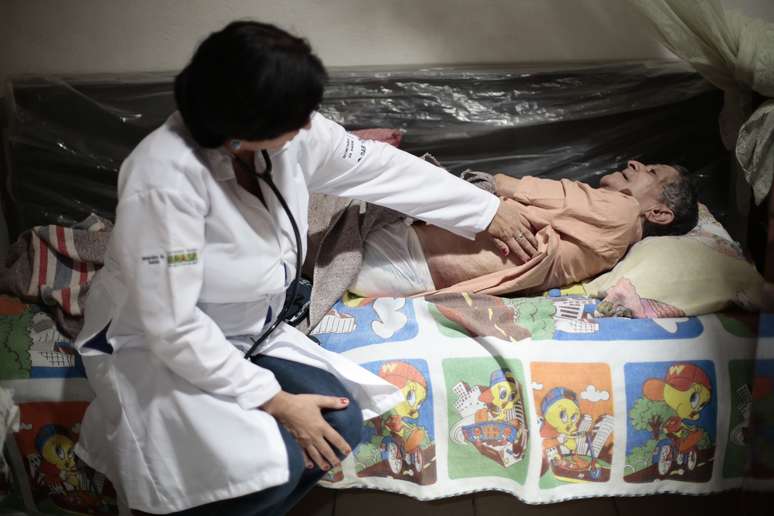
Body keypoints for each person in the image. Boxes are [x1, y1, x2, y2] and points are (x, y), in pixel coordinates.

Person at [71, 21, 535, 516]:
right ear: (244, 127)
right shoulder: (164, 182)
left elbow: (379, 167)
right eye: (298, 116)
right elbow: (172, 325)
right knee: (267, 469)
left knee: (341, 425)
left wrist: (484, 209)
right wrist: (275, 400)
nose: (312, 124)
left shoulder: (287, 140)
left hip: (249, 327)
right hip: (161, 349)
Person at [349, 160, 698, 297]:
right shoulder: (595, 230)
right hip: (409, 260)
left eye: (652, 173)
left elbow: (506, 185)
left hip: (404, 254)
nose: (636, 163)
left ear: (659, 214)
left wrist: (498, 185)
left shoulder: (623, 213)